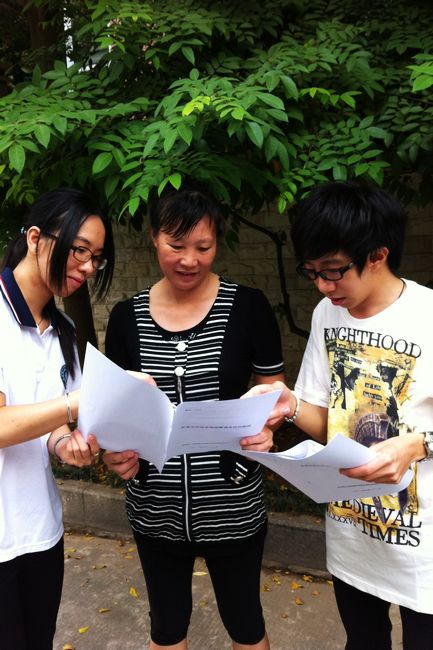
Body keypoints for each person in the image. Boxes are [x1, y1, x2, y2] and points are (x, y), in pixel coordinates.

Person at [246, 181, 433, 650]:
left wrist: (417, 444)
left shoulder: (427, 315)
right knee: (363, 640)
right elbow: (329, 422)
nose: (323, 286)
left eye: (333, 271)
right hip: (352, 534)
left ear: (378, 255)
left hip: (423, 546)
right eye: (312, 272)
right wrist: (289, 405)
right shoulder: (327, 314)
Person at [103, 182, 285, 650]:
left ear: (217, 243)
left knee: (246, 622)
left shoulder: (248, 307)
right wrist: (112, 453)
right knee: (166, 626)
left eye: (203, 247)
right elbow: (114, 412)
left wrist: (267, 428)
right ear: (153, 237)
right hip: (154, 505)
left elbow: (274, 396)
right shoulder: (125, 318)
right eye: (176, 245)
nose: (189, 260)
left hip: (232, 503)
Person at [0, 187, 115, 650]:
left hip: (42, 532)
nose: (87, 267)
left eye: (96, 258)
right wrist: (74, 405)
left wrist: (68, 445)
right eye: (79, 249)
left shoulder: (65, 331)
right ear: (35, 238)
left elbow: (53, 425)